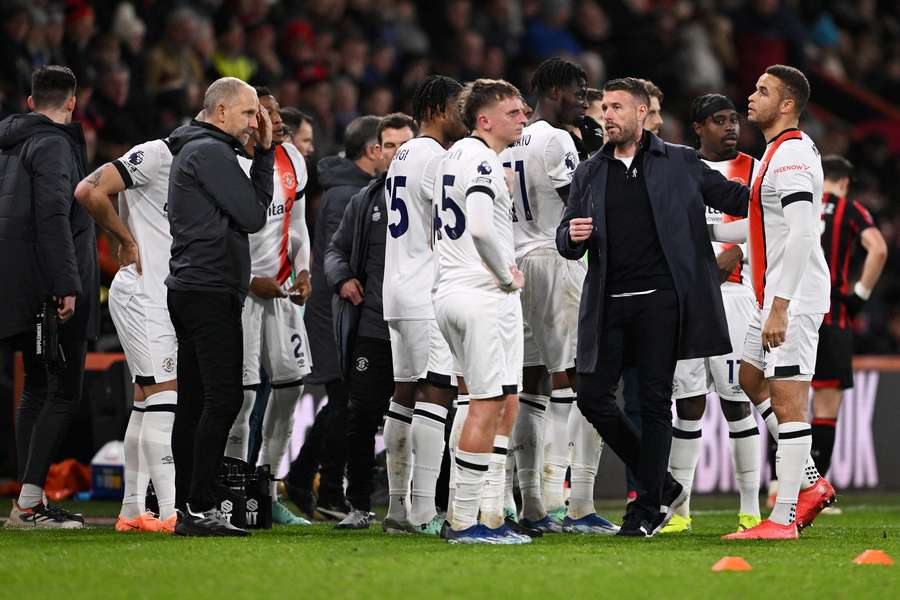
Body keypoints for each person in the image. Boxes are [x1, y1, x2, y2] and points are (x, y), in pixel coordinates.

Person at [556, 77, 749, 537]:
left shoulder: (681, 161)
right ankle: (661, 483)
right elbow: (564, 238)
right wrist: (571, 238)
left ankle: (643, 511)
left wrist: (784, 186)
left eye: (618, 107)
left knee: (656, 402)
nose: (608, 115)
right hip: (608, 304)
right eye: (605, 107)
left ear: (642, 113)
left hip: (663, 305)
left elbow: (738, 199)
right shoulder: (588, 171)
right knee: (591, 397)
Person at [719, 65, 834, 540]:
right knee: (749, 377)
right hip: (772, 297)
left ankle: (783, 518)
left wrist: (783, 305)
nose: (751, 96)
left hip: (793, 298)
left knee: (789, 403)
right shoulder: (777, 152)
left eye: (763, 91)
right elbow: (766, 226)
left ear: (787, 105)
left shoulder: (789, 158)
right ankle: (809, 483)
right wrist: (700, 232)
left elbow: (806, 230)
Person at [502, 57, 616, 536]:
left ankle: (531, 504)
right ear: (553, 92)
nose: (584, 100)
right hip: (558, 258)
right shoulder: (556, 138)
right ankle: (569, 503)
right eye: (578, 90)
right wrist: (595, 157)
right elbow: (581, 203)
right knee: (574, 382)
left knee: (531, 388)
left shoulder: (511, 139)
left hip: (519, 263)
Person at [165, 77, 274, 537]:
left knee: (193, 401)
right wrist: (265, 156)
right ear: (222, 111)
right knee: (223, 397)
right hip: (208, 289)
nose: (255, 123)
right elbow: (253, 214)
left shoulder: (196, 147)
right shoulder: (209, 152)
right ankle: (200, 504)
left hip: (193, 287)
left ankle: (187, 506)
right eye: (249, 114)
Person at [1, 66, 98, 529]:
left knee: (36, 389)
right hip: (51, 286)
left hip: (16, 284)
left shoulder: (10, 142)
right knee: (63, 390)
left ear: (29, 101)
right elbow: (54, 213)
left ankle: (26, 500)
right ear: (72, 102)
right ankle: (28, 505)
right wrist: (66, 283)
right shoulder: (55, 144)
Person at [73, 124, 183, 534]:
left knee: (145, 398)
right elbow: (88, 190)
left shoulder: (192, 164)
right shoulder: (156, 154)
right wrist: (125, 239)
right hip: (141, 292)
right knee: (163, 395)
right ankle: (171, 513)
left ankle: (133, 510)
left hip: (155, 293)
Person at [661, 94, 763, 535]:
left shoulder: (754, 168)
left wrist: (737, 251)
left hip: (736, 298)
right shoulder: (679, 167)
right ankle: (679, 512)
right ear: (698, 127)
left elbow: (773, 226)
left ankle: (750, 509)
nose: (730, 128)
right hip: (686, 299)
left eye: (734, 120)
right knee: (686, 407)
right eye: (719, 121)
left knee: (737, 403)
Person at [435, 79, 529, 545]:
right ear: (485, 120)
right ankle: (463, 521)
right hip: (480, 294)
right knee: (487, 403)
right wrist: (506, 274)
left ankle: (488, 515)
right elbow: (477, 226)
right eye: (513, 112)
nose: (523, 117)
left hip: (451, 292)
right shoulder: (480, 160)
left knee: (498, 400)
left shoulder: (454, 156)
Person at [283, 115, 381, 521]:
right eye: (388, 146)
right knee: (347, 401)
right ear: (373, 150)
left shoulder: (351, 189)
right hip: (335, 311)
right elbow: (338, 259)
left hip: (340, 310)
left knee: (343, 402)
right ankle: (326, 486)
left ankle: (304, 477)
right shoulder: (347, 195)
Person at [381, 76, 467, 535]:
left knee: (404, 394)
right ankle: (422, 511)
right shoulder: (437, 158)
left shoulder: (405, 154)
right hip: (425, 289)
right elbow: (457, 224)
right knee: (437, 392)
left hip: (397, 288)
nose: (465, 115)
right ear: (436, 108)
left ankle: (398, 509)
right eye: (458, 107)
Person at [225, 88, 313, 526]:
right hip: (240, 293)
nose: (279, 121)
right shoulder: (228, 162)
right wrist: (246, 280)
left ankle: (270, 488)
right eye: (268, 114)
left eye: (279, 113)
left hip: (280, 290)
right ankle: (234, 491)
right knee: (240, 398)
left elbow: (296, 223)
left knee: (292, 385)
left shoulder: (292, 159)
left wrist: (303, 270)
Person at [327, 113, 416, 530]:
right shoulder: (365, 200)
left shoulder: (431, 195)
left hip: (420, 326)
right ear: (377, 152)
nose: (397, 154)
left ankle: (424, 504)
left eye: (405, 145)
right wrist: (342, 277)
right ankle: (358, 505)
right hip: (375, 327)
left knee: (430, 415)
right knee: (362, 415)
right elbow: (335, 250)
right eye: (390, 146)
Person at [810, 156, 885, 496]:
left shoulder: (798, 203)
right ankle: (811, 491)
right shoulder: (850, 210)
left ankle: (775, 485)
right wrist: (860, 294)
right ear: (844, 182)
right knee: (825, 408)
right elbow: (878, 250)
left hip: (791, 315)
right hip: (832, 316)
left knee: (784, 404)